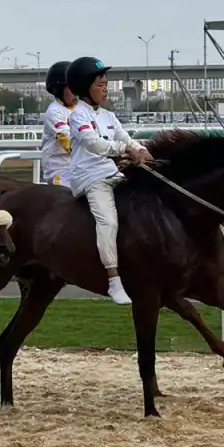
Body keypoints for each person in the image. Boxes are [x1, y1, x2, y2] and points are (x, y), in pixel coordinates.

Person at [65, 56, 150, 306]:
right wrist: (126, 149)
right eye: (100, 84)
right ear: (85, 88)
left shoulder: (109, 116)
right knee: (108, 221)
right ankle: (114, 280)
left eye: (106, 83)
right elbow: (94, 144)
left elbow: (127, 137)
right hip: (90, 177)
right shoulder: (77, 116)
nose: (106, 88)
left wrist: (141, 149)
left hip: (115, 173)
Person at [41, 60, 76, 187]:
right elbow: (66, 140)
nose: (77, 92)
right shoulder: (54, 111)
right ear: (58, 90)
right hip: (59, 171)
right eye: (72, 88)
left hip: (79, 166)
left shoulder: (82, 108)